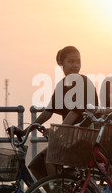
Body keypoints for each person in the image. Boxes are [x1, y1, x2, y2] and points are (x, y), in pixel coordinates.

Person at [15, 46, 98, 180]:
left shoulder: (83, 83)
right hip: (71, 139)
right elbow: (48, 112)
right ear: (61, 64)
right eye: (71, 62)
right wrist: (25, 131)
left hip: (85, 140)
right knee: (36, 165)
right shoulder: (62, 85)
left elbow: (75, 113)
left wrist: (57, 132)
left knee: (51, 158)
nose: (75, 66)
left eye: (78, 62)